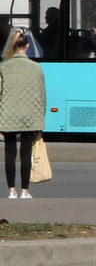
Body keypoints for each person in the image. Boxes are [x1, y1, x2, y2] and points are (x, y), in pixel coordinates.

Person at [1, 28, 48, 199]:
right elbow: (42, 96)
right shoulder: (37, 68)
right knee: (26, 152)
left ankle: (11, 190)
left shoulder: (3, 67)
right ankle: (25, 191)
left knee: (10, 152)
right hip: (30, 115)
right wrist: (41, 118)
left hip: (8, 114)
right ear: (27, 46)